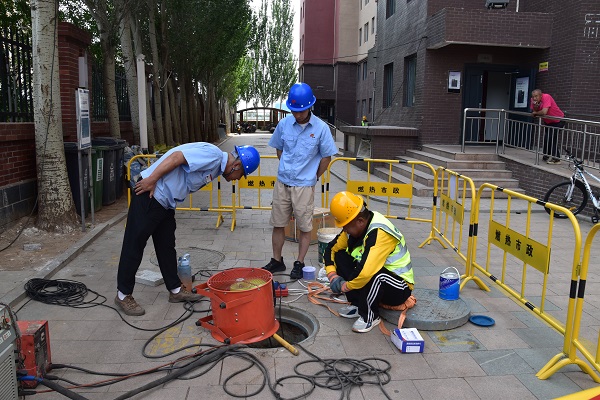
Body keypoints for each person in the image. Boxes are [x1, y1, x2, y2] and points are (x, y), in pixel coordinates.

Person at [115, 143, 260, 316]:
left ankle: (175, 290)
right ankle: (123, 295)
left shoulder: (216, 167)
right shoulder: (213, 156)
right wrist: (152, 179)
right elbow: (176, 157)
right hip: (151, 193)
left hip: (165, 202)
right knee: (134, 245)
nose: (237, 179)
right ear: (236, 165)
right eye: (241, 174)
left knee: (166, 246)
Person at [262, 83, 338, 280]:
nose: (297, 114)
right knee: (278, 223)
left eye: (301, 111)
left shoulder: (321, 128)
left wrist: (312, 177)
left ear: (310, 106)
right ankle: (277, 260)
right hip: (283, 183)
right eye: (294, 111)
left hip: (304, 186)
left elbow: (326, 158)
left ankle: (300, 262)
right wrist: (288, 170)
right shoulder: (284, 124)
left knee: (304, 226)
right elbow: (279, 150)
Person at [323, 191, 414, 333]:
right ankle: (357, 304)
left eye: (346, 226)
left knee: (374, 274)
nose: (344, 229)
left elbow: (366, 272)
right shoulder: (356, 226)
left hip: (399, 287)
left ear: (360, 221)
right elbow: (331, 249)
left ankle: (370, 316)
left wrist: (345, 286)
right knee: (341, 256)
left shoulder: (379, 232)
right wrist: (332, 275)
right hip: (375, 279)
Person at [531, 89, 565, 164]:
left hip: (558, 120)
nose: (534, 98)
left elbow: (544, 112)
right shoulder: (533, 100)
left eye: (536, 96)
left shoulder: (546, 97)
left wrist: (536, 113)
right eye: (533, 96)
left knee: (551, 138)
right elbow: (534, 112)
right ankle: (546, 155)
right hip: (548, 122)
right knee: (547, 138)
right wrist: (536, 107)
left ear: (541, 95)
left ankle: (556, 158)